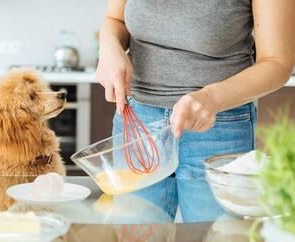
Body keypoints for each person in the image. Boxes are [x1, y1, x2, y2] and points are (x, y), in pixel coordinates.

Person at [96, 0, 295, 222]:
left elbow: (277, 62)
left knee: (214, 236)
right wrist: (110, 46)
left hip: (218, 124)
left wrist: (211, 99)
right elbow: (115, 20)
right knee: (135, 235)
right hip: (138, 123)